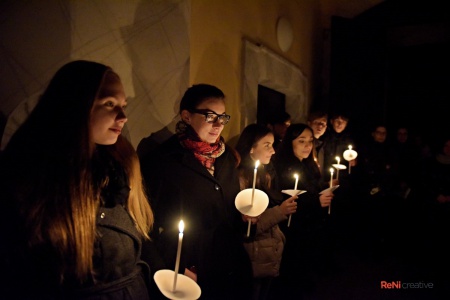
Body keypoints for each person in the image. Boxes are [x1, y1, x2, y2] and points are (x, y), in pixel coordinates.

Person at [0, 60, 155, 299]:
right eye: (110, 104)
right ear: (74, 106)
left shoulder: (117, 167)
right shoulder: (35, 182)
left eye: (123, 105)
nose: (123, 116)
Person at [139, 84, 253, 299]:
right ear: (186, 116)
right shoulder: (163, 161)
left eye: (223, 117)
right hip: (188, 269)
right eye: (210, 116)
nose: (219, 124)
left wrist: (246, 219)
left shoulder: (227, 157)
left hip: (229, 264)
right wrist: (168, 270)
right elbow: (146, 224)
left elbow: (230, 212)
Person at [272, 123, 335, 299]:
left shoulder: (308, 164)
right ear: (290, 143)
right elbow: (288, 196)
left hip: (309, 225)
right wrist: (316, 201)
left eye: (310, 140)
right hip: (292, 226)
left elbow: (311, 189)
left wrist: (325, 190)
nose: (308, 145)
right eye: (301, 141)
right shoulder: (283, 167)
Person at [234, 124, 297, 300]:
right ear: (251, 149)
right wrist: (280, 211)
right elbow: (249, 227)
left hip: (269, 250)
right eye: (267, 145)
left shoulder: (267, 175)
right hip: (254, 253)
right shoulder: (239, 180)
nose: (273, 151)